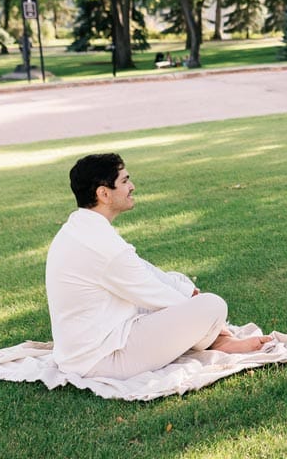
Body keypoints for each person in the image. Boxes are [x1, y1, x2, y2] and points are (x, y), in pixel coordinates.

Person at [45, 153, 271, 379]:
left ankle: (216, 338)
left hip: (88, 347)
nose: (132, 186)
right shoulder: (102, 245)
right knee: (212, 305)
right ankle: (220, 341)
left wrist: (187, 292)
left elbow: (143, 270)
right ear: (103, 193)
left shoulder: (80, 228)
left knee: (177, 281)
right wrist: (207, 317)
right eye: (124, 181)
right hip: (102, 359)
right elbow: (159, 297)